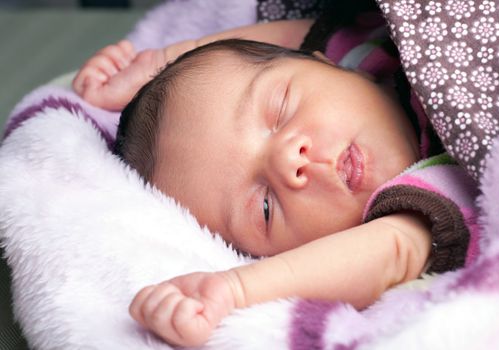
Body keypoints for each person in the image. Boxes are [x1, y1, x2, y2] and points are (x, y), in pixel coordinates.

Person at [73, 15, 478, 348]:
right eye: (265, 206)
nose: (291, 161)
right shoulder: (428, 193)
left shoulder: (366, 44)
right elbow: (392, 251)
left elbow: (294, 33)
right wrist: (234, 290)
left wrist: (158, 60)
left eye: (281, 109)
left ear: (321, 61)